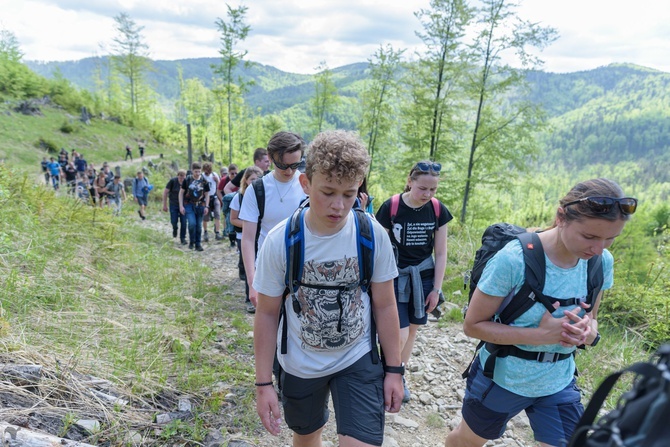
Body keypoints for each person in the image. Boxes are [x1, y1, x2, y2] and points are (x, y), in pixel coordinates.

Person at [445, 178, 637, 447]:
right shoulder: (514, 259)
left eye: (610, 239)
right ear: (561, 217)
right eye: (590, 236)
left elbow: (592, 318)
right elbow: (473, 326)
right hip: (502, 378)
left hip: (558, 381)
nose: (598, 248)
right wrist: (540, 335)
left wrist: (587, 331)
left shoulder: (600, 262)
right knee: (467, 441)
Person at [254, 130, 404, 446]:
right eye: (328, 191)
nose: (339, 205)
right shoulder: (281, 241)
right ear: (305, 184)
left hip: (357, 357)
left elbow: (386, 305)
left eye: (349, 194)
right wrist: (263, 383)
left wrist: (394, 369)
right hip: (300, 363)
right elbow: (267, 314)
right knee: (306, 438)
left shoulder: (372, 235)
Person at [375, 161, 452, 403]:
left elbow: (440, 253)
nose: (427, 195)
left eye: (433, 190)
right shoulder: (391, 207)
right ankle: (388, 372)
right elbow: (378, 247)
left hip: (424, 278)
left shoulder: (438, 210)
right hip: (395, 275)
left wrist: (437, 290)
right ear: (410, 181)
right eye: (422, 189)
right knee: (398, 333)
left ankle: (398, 375)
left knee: (412, 331)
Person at [239, 132, 307, 308]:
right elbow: (247, 239)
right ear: (270, 158)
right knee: (270, 327)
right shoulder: (257, 190)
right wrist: (252, 281)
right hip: (268, 270)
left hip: (305, 271)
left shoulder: (308, 186)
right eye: (282, 165)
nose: (289, 171)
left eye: (295, 165)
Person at [230, 166, 263, 313]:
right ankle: (249, 298)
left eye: (258, 179)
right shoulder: (240, 197)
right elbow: (233, 219)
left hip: (261, 237)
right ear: (246, 181)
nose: (255, 182)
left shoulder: (264, 196)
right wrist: (249, 225)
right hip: (244, 236)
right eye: (252, 180)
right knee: (250, 267)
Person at [179, 162, 210, 251]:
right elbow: (181, 193)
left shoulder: (204, 181)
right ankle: (192, 241)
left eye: (199, 172)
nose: (197, 174)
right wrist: (181, 206)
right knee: (192, 223)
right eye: (195, 171)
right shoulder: (187, 180)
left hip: (200, 205)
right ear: (192, 171)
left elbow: (207, 194)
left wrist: (207, 206)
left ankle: (198, 244)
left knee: (199, 226)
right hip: (188, 204)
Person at [162, 170, 188, 244]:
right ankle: (175, 228)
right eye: (180, 176)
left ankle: (183, 238)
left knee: (184, 222)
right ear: (178, 176)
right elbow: (165, 192)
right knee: (174, 220)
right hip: (173, 203)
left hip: (183, 205)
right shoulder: (173, 181)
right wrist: (164, 205)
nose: (182, 178)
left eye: (183, 176)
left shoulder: (187, 182)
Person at [201, 162, 222, 242]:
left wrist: (217, 181)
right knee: (205, 216)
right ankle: (205, 232)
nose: (208, 172)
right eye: (206, 170)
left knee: (217, 214)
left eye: (209, 170)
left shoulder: (214, 174)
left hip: (214, 196)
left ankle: (217, 232)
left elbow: (220, 186)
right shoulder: (202, 176)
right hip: (205, 198)